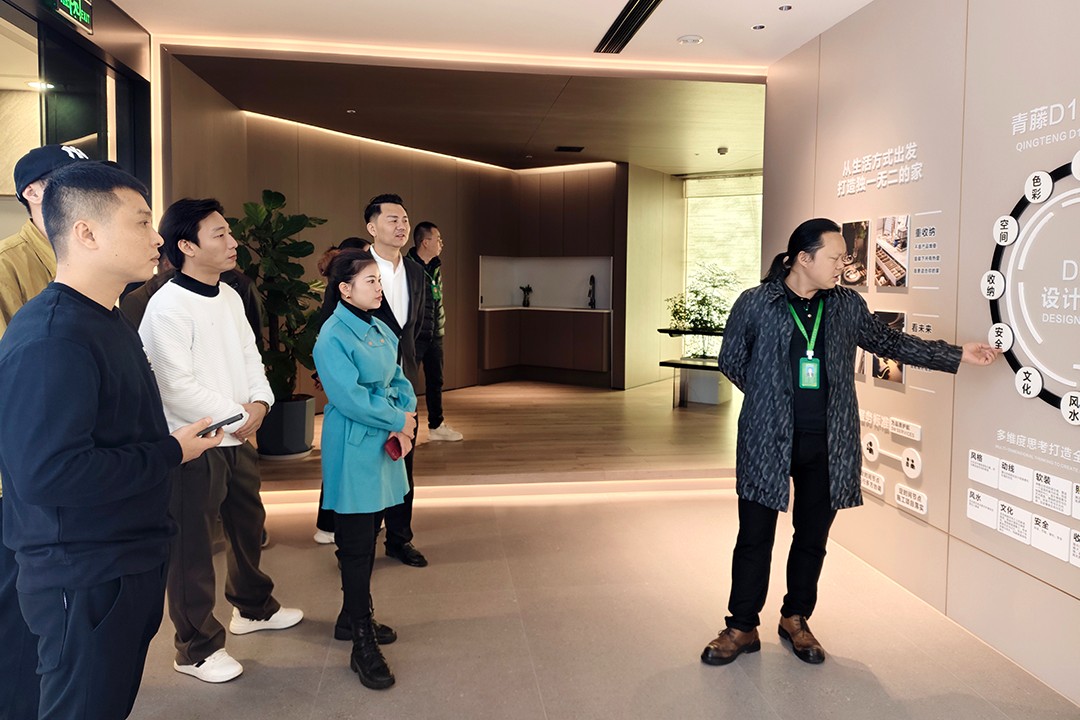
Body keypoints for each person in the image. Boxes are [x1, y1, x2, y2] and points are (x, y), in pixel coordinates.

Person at [701, 218, 998, 667]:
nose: (844, 264)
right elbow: (731, 359)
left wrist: (956, 353)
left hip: (829, 440)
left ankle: (795, 618)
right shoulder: (756, 303)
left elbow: (890, 343)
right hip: (766, 440)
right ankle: (742, 626)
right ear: (803, 258)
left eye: (845, 257)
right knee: (754, 537)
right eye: (836, 256)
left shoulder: (845, 305)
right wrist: (769, 399)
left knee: (812, 537)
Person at [0, 162, 223, 718]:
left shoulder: (107, 317)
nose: (157, 238)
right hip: (85, 575)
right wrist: (171, 451)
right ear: (86, 233)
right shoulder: (53, 336)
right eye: (142, 222)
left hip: (122, 561)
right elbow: (49, 474)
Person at [139, 198, 303, 684]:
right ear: (187, 246)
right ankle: (194, 649)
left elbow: (252, 358)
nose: (233, 243)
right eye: (220, 235)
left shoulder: (230, 295)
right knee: (191, 547)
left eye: (230, 233)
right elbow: (173, 386)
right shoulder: (166, 306)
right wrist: (238, 416)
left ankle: (252, 607)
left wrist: (261, 404)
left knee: (248, 524)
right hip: (196, 444)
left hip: (237, 436)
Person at [0, 144, 92, 720]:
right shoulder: (9, 265)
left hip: (75, 468)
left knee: (61, 617)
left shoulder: (84, 258)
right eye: (70, 180)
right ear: (33, 193)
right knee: (18, 614)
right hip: (22, 478)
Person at [313, 248, 417, 689]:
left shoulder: (378, 327)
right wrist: (398, 419)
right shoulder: (332, 336)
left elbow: (399, 380)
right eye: (370, 281)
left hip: (382, 441)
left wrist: (407, 413)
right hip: (355, 445)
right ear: (345, 289)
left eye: (379, 280)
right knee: (355, 545)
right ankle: (361, 642)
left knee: (370, 531)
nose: (379, 288)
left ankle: (350, 616)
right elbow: (350, 398)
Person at [366, 194, 429, 567]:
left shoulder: (417, 273)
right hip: (367, 386)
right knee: (368, 462)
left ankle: (399, 539)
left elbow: (419, 330)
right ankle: (362, 540)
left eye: (404, 219)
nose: (401, 225)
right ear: (372, 227)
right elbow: (330, 322)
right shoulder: (352, 269)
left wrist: (410, 366)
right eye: (392, 219)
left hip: (404, 384)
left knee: (403, 459)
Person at [313, 236, 372, 546]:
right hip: (349, 392)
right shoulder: (339, 308)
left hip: (355, 387)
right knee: (341, 463)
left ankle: (337, 524)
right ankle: (330, 524)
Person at [407, 222, 463, 442]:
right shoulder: (407, 267)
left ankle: (436, 425)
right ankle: (406, 427)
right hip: (414, 337)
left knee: (436, 381)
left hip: (435, 334)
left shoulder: (435, 266)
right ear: (425, 242)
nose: (441, 243)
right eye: (438, 239)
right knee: (407, 384)